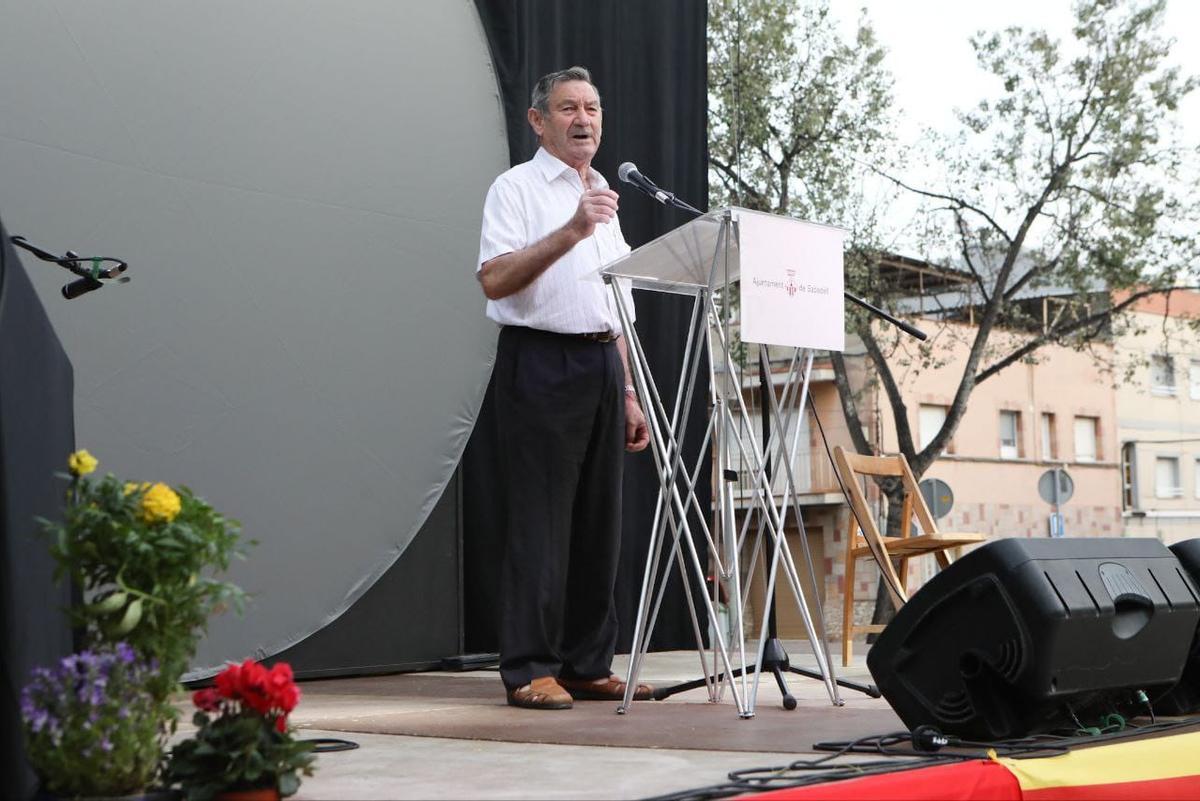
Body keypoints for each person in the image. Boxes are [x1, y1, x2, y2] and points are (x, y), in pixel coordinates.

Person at [477, 66, 652, 710]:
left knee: (599, 523)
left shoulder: (605, 192)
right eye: (568, 107)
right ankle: (529, 668)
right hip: (541, 361)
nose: (584, 119)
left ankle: (586, 663)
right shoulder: (516, 188)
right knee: (540, 522)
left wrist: (630, 392)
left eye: (592, 108)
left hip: (605, 364)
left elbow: (617, 304)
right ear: (537, 121)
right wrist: (571, 231)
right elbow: (495, 280)